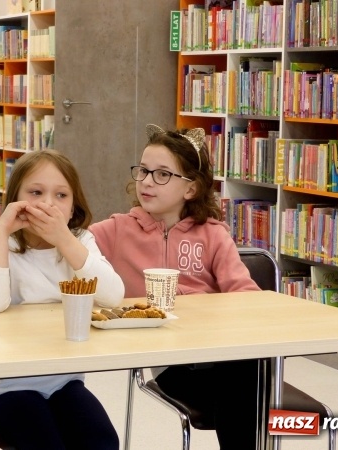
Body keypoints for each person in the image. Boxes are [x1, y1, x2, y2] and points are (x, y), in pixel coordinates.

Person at [89, 124, 261, 449]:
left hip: (221, 355)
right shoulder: (116, 230)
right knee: (244, 394)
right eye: (143, 171)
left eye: (163, 174)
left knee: (245, 377)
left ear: (191, 189)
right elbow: (75, 249)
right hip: (172, 366)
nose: (147, 181)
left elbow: (245, 296)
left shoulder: (213, 235)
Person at [0, 149, 123, 450]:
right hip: (9, 387)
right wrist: (1, 231)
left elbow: (112, 296)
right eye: (35, 192)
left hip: (64, 382)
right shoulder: (6, 245)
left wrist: (64, 239)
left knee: (103, 440)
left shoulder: (79, 241)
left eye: (61, 196)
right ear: (16, 201)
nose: (47, 204)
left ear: (73, 207)